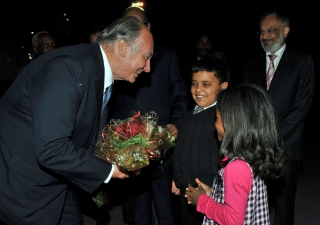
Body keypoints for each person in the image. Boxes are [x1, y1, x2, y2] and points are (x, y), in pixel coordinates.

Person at [0, 16, 154, 225]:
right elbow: (51, 149)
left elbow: (83, 135)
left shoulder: (95, 69)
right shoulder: (68, 69)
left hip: (59, 184)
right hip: (25, 189)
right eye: (146, 57)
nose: (148, 68)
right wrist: (109, 171)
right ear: (123, 47)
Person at [104, 6, 189, 225]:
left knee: (165, 204)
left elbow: (179, 96)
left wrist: (175, 124)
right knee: (138, 207)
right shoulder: (116, 61)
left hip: (161, 141)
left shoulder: (167, 56)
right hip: (128, 144)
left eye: (137, 25)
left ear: (148, 27)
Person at [242, 9, 315, 225]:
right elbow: (246, 104)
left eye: (271, 30)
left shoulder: (302, 61)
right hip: (255, 148)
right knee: (253, 204)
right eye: (262, 31)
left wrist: (272, 135)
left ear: (286, 30)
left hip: (287, 147)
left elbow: (302, 106)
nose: (265, 36)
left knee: (283, 208)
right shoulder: (251, 64)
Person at [185, 83, 289, 225]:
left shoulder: (236, 168)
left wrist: (202, 201)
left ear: (232, 122)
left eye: (216, 118)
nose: (214, 124)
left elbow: (232, 220)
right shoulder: (253, 157)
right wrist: (211, 193)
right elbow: (241, 200)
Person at [172, 56, 229, 225]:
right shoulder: (189, 115)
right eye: (194, 83)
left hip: (206, 192)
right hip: (185, 190)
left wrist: (214, 191)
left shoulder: (220, 119)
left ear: (223, 86)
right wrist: (176, 178)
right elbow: (181, 149)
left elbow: (223, 158)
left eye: (206, 84)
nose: (198, 90)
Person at [181, 33, 213, 111]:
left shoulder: (218, 66)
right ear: (196, 45)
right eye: (201, 42)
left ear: (211, 45)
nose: (204, 45)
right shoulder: (186, 67)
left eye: (207, 43)